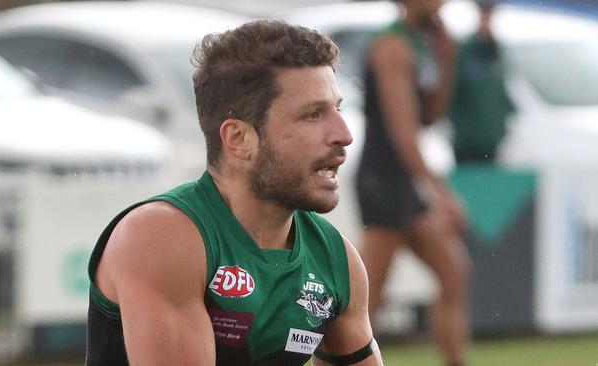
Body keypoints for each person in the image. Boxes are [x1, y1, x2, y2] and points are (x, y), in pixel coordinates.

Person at [86, 20, 384, 366]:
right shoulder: (162, 236)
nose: (344, 134)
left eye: (338, 109)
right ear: (239, 139)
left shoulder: (334, 259)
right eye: (312, 115)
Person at [355, 0, 471, 365]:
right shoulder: (392, 45)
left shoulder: (418, 44)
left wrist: (448, 60)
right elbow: (403, 133)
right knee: (367, 298)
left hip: (401, 181)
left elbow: (431, 117)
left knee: (455, 274)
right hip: (382, 181)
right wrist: (442, 193)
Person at [450, 0, 515, 164]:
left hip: (493, 138)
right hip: (467, 139)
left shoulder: (498, 52)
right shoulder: (463, 51)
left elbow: (505, 93)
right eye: (484, 11)